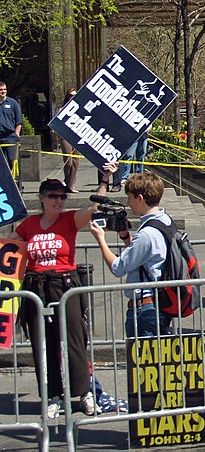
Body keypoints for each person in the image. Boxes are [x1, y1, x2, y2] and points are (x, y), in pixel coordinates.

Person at [11, 165, 117, 419]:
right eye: (53, 196)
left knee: (75, 340)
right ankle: (52, 395)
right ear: (42, 198)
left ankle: (84, 393)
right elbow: (8, 250)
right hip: (36, 287)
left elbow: (93, 209)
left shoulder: (69, 219)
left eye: (62, 196)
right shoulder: (29, 224)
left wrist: (104, 180)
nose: (59, 200)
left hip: (64, 284)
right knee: (43, 343)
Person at [89, 171, 174, 338]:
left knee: (143, 359)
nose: (128, 203)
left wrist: (100, 239)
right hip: (159, 302)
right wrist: (126, 237)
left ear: (140, 198)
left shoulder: (147, 234)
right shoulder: (165, 221)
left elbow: (118, 268)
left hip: (145, 308)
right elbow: (143, 259)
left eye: (129, 198)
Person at [60, 88, 80, 191]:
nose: (72, 97)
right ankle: (67, 181)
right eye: (70, 95)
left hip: (77, 137)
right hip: (66, 137)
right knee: (68, 162)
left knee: (76, 162)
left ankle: (71, 185)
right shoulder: (62, 109)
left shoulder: (80, 109)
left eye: (75, 95)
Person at [0, 81, 22, 170]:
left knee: (12, 161)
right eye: (1, 90)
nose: (3, 91)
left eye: (5, 89)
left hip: (10, 137)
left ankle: (14, 183)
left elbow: (19, 121)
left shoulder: (13, 103)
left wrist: (16, 134)